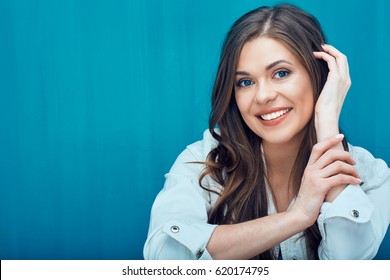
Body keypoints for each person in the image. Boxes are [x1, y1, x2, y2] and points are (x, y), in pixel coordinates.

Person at [143, 3, 390, 260]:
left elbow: (347, 264)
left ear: (320, 76)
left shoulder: (371, 176)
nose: (262, 96)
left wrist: (327, 119)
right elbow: (166, 259)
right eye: (245, 82)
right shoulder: (203, 165)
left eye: (281, 73)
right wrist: (296, 217)